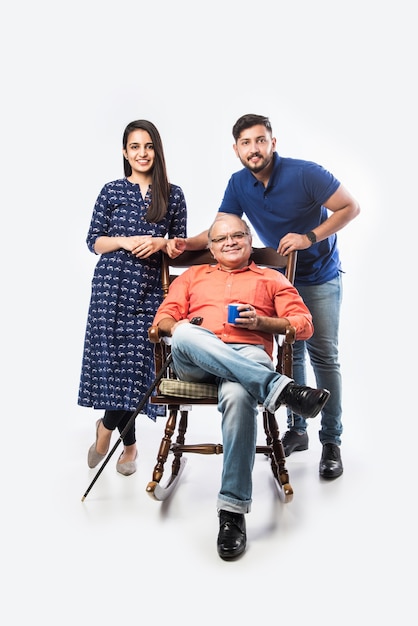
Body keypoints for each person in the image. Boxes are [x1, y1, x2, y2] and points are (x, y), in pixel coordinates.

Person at [168, 113, 360, 480]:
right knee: (293, 353)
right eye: (245, 143)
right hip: (276, 276)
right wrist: (187, 244)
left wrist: (309, 238)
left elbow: (350, 207)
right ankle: (297, 429)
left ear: (273, 142)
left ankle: (331, 441)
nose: (253, 149)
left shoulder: (306, 173)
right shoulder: (239, 183)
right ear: (236, 149)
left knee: (324, 355)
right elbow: (222, 226)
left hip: (318, 276)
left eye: (260, 140)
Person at [153, 214, 330, 559]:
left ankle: (232, 511)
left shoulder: (271, 278)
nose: (230, 242)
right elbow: (164, 318)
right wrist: (182, 328)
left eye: (238, 235)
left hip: (249, 356)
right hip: (196, 357)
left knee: (237, 393)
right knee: (185, 332)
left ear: (249, 240)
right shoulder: (193, 276)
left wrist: (262, 322)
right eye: (220, 239)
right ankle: (282, 390)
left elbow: (304, 324)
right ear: (211, 247)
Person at [78, 119, 187, 476]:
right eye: (135, 147)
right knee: (114, 368)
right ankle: (131, 446)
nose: (142, 153)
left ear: (157, 150)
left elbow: (179, 248)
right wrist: (124, 241)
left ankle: (106, 428)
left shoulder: (173, 195)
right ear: (125, 152)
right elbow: (94, 241)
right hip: (110, 289)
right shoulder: (110, 192)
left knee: (139, 368)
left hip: (151, 290)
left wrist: (160, 243)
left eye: (148, 146)